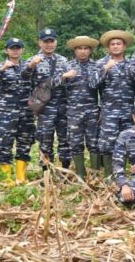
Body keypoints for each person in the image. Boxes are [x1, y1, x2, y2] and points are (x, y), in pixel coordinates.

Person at [89, 30, 135, 178]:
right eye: (112, 44)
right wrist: (106, 68)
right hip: (109, 112)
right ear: (108, 48)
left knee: (128, 142)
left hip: (128, 111)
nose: (115, 47)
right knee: (108, 144)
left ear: (124, 47)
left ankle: (124, 174)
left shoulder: (131, 64)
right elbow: (92, 84)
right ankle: (109, 176)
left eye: (118, 44)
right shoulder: (101, 63)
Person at [22, 28, 70, 169]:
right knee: (45, 139)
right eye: (46, 42)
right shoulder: (33, 60)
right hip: (44, 108)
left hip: (62, 106)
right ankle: (46, 172)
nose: (49, 44)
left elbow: (69, 83)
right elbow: (23, 78)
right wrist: (31, 66)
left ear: (56, 42)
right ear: (39, 43)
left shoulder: (63, 60)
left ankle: (65, 170)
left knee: (64, 139)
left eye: (52, 41)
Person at [56, 36, 101, 180]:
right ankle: (80, 173)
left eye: (86, 48)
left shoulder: (97, 66)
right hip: (73, 111)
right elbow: (53, 84)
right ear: (75, 50)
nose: (82, 51)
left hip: (92, 110)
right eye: (79, 48)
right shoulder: (66, 66)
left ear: (90, 50)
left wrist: (101, 109)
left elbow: (102, 89)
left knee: (93, 142)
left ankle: (94, 174)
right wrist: (64, 76)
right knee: (75, 142)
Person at [0, 38, 35, 186]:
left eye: (18, 47)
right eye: (12, 48)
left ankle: (21, 176)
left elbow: (36, 88)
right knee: (4, 143)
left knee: (25, 142)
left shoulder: (29, 66)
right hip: (6, 112)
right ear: (6, 50)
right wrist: (1, 70)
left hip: (26, 112)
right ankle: (7, 177)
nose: (15, 50)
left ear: (22, 50)